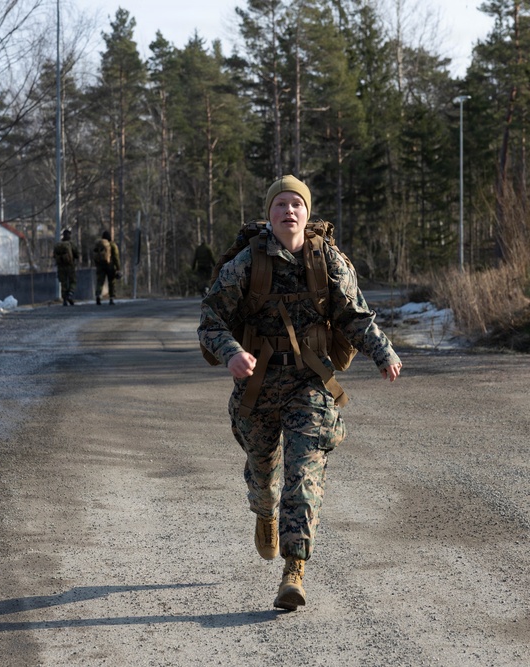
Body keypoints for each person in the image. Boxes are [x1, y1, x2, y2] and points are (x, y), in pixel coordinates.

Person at [197, 175, 402, 611]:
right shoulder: (246, 265)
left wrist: (382, 352)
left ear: (307, 214)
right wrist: (232, 353)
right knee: (263, 473)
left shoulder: (326, 259)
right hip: (257, 386)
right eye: (280, 205)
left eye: (296, 205)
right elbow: (210, 322)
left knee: (304, 472)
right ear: (269, 214)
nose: (289, 211)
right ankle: (265, 512)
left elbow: (354, 317)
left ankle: (294, 569)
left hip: (310, 383)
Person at [92, 230, 121, 305]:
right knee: (111, 282)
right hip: (110, 266)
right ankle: (111, 298)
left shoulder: (99, 245)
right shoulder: (112, 245)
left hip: (100, 266)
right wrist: (118, 268)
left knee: (100, 282)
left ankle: (98, 295)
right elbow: (116, 257)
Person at [52, 228, 78, 306]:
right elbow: (77, 254)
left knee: (63, 283)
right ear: (69, 235)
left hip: (61, 267)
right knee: (73, 281)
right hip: (70, 266)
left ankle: (64, 300)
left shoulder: (58, 245)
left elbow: (54, 255)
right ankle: (70, 294)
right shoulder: (71, 244)